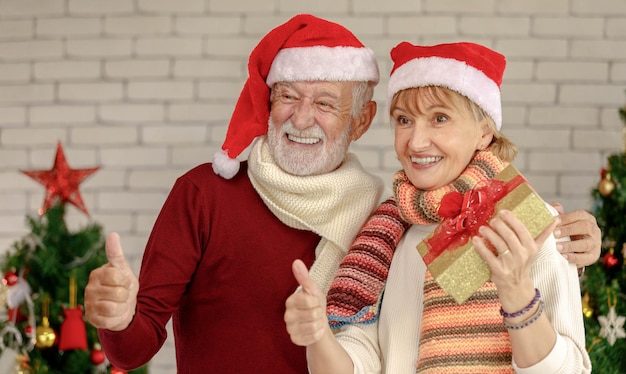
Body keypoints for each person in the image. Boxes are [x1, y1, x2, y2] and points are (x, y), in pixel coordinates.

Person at [84, 15, 599, 373]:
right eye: (288, 95)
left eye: (326, 102)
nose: (302, 118)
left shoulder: (501, 222)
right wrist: (119, 317)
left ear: (360, 122)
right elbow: (131, 350)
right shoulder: (381, 230)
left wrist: (558, 248)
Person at [284, 41, 592, 373]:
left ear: (484, 133)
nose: (415, 142)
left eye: (439, 118)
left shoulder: (530, 224)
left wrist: (518, 295)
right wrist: (318, 336)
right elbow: (359, 361)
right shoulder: (386, 233)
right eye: (404, 120)